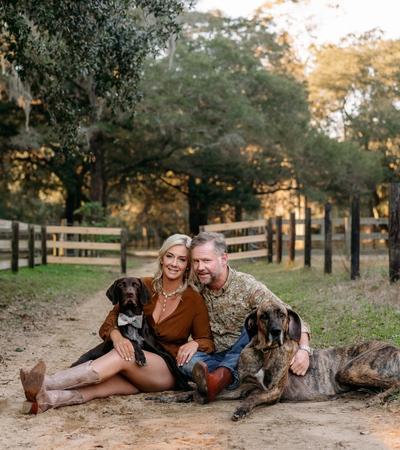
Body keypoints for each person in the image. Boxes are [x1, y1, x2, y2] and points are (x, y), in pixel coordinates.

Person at [19, 234, 214, 414]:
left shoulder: (193, 299)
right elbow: (111, 319)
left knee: (123, 355)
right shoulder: (142, 286)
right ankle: (45, 401)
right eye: (170, 256)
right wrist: (117, 337)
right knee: (98, 388)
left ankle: (47, 382)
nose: (174, 263)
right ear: (162, 258)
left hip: (165, 370)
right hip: (136, 369)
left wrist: (195, 343)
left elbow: (207, 340)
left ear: (188, 265)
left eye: (182, 259)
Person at [178, 231, 312, 404]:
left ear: (223, 259)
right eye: (196, 261)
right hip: (215, 355)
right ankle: (228, 379)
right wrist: (196, 343)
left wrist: (304, 350)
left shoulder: (247, 286)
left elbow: (289, 315)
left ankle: (221, 379)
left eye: (206, 260)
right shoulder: (195, 285)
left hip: (247, 355)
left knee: (250, 327)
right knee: (185, 362)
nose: (200, 267)